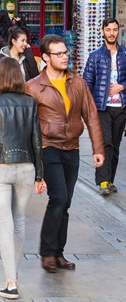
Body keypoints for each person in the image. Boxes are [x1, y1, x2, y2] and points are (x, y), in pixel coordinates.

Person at [26, 34, 104, 273]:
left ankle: (58, 252)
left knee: (66, 202)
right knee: (58, 197)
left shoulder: (77, 83)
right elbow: (26, 124)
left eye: (65, 52)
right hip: (48, 147)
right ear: (46, 58)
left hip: (72, 148)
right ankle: (47, 252)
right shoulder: (33, 87)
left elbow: (90, 116)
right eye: (58, 54)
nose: (64, 57)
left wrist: (98, 149)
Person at [0, 57, 44, 299]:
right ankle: (13, 274)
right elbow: (37, 138)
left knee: (4, 224)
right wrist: (40, 173)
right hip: (26, 165)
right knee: (19, 221)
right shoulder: (30, 101)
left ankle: (11, 282)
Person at [83, 18, 126, 196]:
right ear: (102, 32)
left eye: (114, 30)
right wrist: (88, 108)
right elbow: (86, 84)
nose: (111, 33)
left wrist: (122, 87)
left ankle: (110, 180)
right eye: (108, 30)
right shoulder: (95, 56)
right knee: (105, 144)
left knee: (115, 146)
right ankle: (103, 182)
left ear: (118, 32)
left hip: (121, 108)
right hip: (102, 108)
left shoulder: (125, 54)